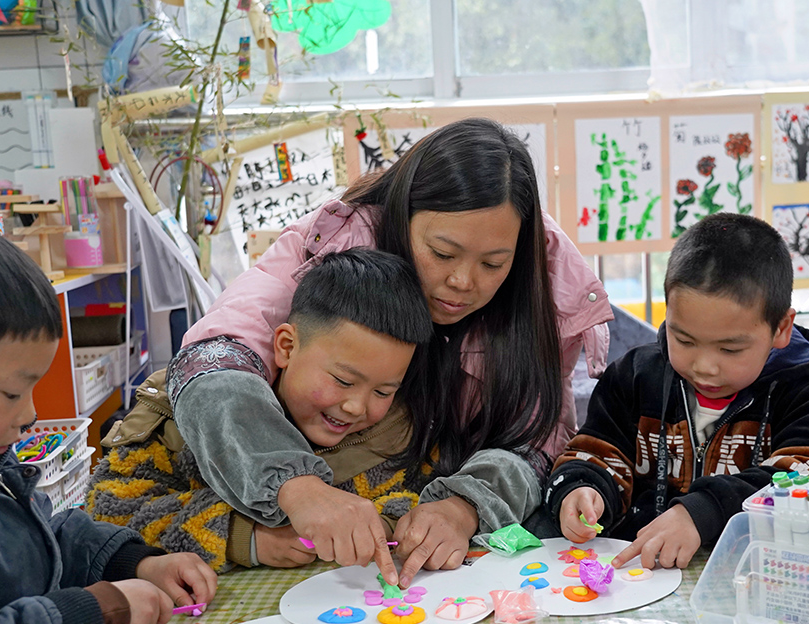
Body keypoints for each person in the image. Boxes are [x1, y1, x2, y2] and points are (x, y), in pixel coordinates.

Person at [172, 118, 613, 588]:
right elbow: (211, 366)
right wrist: (297, 488)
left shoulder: (541, 296)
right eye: (442, 253)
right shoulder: (327, 251)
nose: (463, 282)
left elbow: (537, 443)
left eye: (492, 264)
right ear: (401, 218)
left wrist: (466, 506)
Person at [88, 249, 438, 583]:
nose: (356, 407)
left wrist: (382, 526)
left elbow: (421, 499)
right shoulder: (185, 421)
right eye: (343, 381)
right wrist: (244, 537)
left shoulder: (396, 433)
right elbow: (107, 512)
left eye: (383, 392)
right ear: (286, 346)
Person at [545, 213, 809, 570]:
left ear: (781, 328)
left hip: (754, 575)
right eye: (684, 340)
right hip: (642, 576)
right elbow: (597, 451)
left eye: (730, 349)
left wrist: (703, 511)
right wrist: (583, 488)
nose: (704, 366)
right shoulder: (633, 378)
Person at [0, 228, 217, 624]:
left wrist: (135, 563)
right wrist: (95, 614)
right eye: (12, 393)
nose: (32, 413)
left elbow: (41, 541)